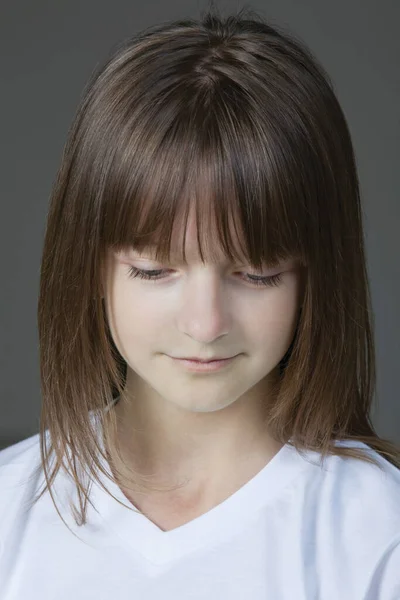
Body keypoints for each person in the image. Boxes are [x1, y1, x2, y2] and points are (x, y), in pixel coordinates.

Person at [0, 4, 399, 599]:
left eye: (258, 273)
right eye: (155, 269)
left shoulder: (379, 533)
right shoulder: (10, 512)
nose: (205, 323)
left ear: (317, 274)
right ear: (87, 264)